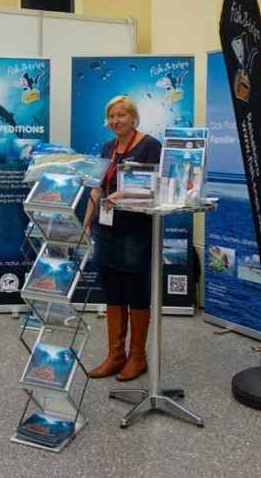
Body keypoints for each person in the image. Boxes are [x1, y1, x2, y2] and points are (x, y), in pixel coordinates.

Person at [82, 95, 162, 382]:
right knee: (112, 292)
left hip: (134, 231)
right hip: (106, 229)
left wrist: (126, 194)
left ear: (133, 117)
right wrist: (87, 223)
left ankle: (137, 357)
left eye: (121, 115)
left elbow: (158, 189)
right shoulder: (107, 147)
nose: (116, 121)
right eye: (112, 116)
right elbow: (95, 188)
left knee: (135, 291)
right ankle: (115, 355)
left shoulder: (150, 146)